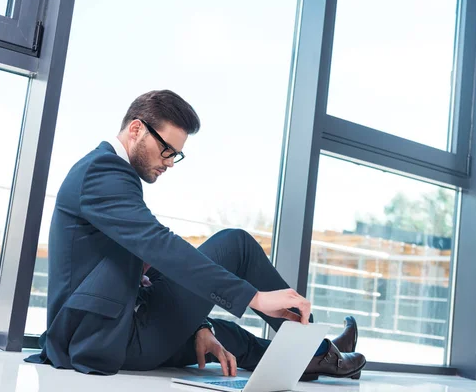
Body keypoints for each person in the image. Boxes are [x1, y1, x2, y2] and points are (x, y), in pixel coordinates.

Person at [25, 90, 366, 381]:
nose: (170, 162)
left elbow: (148, 260)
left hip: (115, 329)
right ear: (135, 130)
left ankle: (310, 359)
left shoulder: (111, 175)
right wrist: (255, 298)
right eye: (167, 150)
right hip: (101, 338)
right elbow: (160, 246)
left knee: (222, 332)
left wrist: (201, 322)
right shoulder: (103, 171)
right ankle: (320, 351)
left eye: (177, 154)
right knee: (237, 246)